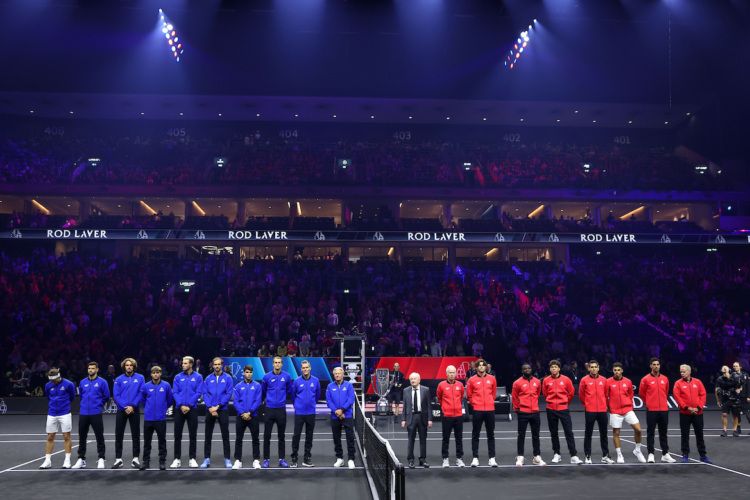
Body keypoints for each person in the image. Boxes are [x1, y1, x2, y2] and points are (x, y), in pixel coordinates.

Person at [542, 360, 582, 464]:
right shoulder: (546, 380)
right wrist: (551, 401)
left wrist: (564, 402)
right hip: (551, 409)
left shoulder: (566, 380)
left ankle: (573, 455)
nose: (553, 369)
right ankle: (557, 454)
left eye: (555, 367)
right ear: (550, 369)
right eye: (552, 367)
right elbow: (545, 393)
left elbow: (571, 392)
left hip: (563, 409)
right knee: (554, 433)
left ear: (559, 369)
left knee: (568, 432)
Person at [72, 361, 110, 469]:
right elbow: (82, 395)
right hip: (83, 413)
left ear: (97, 369)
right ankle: (81, 459)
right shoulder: (83, 382)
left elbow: (106, 396)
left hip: (96, 413)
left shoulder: (103, 382)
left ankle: (101, 458)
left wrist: (99, 405)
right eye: (89, 368)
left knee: (99, 436)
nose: (91, 370)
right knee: (82, 437)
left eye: (93, 368)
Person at [606, 362, 646, 464]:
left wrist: (629, 405)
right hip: (615, 411)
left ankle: (637, 450)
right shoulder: (608, 382)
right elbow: (606, 396)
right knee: (616, 433)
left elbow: (630, 395)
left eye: (619, 370)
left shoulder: (628, 381)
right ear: (613, 371)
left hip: (628, 410)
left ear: (622, 371)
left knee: (638, 429)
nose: (617, 372)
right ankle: (619, 455)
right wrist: (609, 408)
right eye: (615, 370)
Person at [639, 358, 675, 463]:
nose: (656, 366)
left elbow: (666, 392)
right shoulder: (645, 379)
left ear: (660, 366)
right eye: (654, 364)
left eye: (658, 364)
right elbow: (642, 393)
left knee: (663, 432)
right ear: (650, 366)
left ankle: (665, 454)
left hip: (664, 409)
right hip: (651, 410)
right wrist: (649, 402)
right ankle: (651, 454)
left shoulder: (665, 379)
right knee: (651, 432)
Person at [673, 364, 711, 464]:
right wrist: (687, 408)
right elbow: (677, 397)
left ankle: (703, 455)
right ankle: (685, 455)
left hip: (698, 413)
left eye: (684, 371)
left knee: (699, 435)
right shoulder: (678, 383)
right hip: (684, 413)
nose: (682, 373)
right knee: (684, 435)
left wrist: (698, 408)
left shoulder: (698, 382)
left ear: (689, 372)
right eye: (681, 371)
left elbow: (703, 395)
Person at [200, 357, 234, 468]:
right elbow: (205, 394)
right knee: (208, 436)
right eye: (215, 364)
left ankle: (227, 459)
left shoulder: (228, 378)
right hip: (209, 410)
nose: (217, 366)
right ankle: (206, 459)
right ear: (213, 365)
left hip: (222, 410)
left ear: (222, 365)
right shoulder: (208, 378)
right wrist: (210, 407)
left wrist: (217, 407)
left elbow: (228, 394)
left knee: (225, 435)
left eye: (219, 364)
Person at [171, 356, 203, 468]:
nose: (183, 365)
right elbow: (175, 392)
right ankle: (177, 459)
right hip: (180, 409)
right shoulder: (177, 377)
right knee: (177, 435)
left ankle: (192, 458)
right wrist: (181, 405)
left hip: (192, 409)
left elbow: (198, 392)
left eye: (185, 363)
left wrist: (188, 405)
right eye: (182, 363)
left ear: (191, 364)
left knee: (192, 435)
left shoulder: (198, 377)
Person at [139, 366, 174, 471]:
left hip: (160, 418)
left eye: (157, 372)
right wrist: (148, 408)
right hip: (148, 418)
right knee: (147, 442)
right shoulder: (145, 386)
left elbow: (170, 399)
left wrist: (163, 408)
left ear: (160, 373)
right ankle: (146, 462)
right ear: (151, 374)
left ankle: (162, 462)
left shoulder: (166, 385)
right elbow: (143, 400)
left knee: (162, 441)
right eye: (153, 372)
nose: (155, 374)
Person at [40, 368, 76, 469]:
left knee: (66, 436)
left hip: (65, 413)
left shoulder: (69, 384)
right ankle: (47, 461)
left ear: (59, 376)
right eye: (51, 380)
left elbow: (72, 397)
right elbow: (48, 397)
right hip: (51, 413)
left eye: (54, 379)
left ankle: (67, 460)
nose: (53, 382)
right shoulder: (48, 385)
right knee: (50, 437)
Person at [261, 356, 293, 468]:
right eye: (275, 362)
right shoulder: (266, 377)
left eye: (279, 362)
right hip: (269, 409)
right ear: (273, 364)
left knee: (281, 436)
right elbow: (263, 392)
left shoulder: (287, 377)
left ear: (282, 364)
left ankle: (282, 459)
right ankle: (266, 459)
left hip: (281, 409)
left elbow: (290, 390)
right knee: (267, 436)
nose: (277, 364)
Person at [112, 357, 144, 469]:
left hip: (134, 410)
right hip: (122, 410)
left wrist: (132, 405)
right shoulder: (118, 379)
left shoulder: (140, 378)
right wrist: (125, 406)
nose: (129, 367)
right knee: (119, 435)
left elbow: (141, 393)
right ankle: (118, 459)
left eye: (131, 365)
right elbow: (116, 395)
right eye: (127, 365)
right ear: (124, 367)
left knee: (136, 435)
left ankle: (135, 459)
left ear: (133, 366)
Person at [579, 360, 613, 464]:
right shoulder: (584, 380)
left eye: (595, 367)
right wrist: (588, 404)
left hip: (602, 410)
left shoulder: (604, 380)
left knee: (604, 434)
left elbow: (606, 394)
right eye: (591, 367)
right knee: (588, 434)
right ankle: (588, 456)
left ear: (598, 368)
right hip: (590, 410)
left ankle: (605, 456)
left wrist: (605, 405)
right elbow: (581, 395)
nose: (593, 369)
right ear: (588, 368)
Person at [511, 363, 545, 466]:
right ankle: (520, 457)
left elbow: (538, 393)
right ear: (522, 371)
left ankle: (537, 457)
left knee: (536, 435)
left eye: (529, 368)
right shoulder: (517, 383)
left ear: (531, 369)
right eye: (525, 369)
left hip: (535, 412)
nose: (527, 370)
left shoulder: (537, 382)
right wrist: (518, 409)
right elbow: (515, 397)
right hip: (523, 413)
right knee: (521, 435)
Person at [466, 359, 497, 467]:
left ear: (485, 367)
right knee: (475, 434)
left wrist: (489, 402)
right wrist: (475, 404)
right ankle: (475, 458)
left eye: (483, 365)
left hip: (490, 409)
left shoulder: (492, 379)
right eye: (479, 366)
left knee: (491, 434)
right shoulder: (471, 380)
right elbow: (469, 395)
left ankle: (492, 458)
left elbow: (493, 394)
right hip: (477, 410)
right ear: (476, 367)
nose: (481, 367)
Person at [291, 360, 321, 468]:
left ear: (310, 368)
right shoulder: (296, 381)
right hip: (299, 413)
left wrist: (311, 404)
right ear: (301, 369)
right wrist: (298, 406)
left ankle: (307, 458)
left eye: (306, 367)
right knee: (296, 436)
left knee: (309, 436)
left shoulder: (316, 381)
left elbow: (317, 395)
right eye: (303, 368)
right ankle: (294, 458)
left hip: (311, 413)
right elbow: (293, 395)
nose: (305, 369)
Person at [232, 365, 263, 470]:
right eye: (246, 372)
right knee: (238, 439)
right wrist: (243, 413)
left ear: (252, 373)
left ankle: (256, 460)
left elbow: (258, 401)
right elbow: (236, 402)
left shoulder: (257, 386)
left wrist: (249, 413)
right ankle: (238, 460)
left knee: (255, 439)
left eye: (250, 372)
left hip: (253, 416)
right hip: (241, 417)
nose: (248, 374)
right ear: (243, 373)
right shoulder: (238, 386)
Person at [326, 366, 356, 469]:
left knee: (350, 438)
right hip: (335, 416)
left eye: (339, 373)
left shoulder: (349, 386)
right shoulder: (330, 386)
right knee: (336, 438)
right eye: (336, 374)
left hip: (347, 415)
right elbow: (329, 401)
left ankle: (351, 459)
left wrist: (342, 410)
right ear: (333, 375)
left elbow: (351, 399)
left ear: (343, 374)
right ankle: (340, 458)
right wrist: (337, 412)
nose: (337, 375)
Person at [436, 365, 465, 467]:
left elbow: (461, 397)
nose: (452, 374)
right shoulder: (441, 385)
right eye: (450, 372)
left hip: (458, 415)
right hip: (447, 416)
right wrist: (445, 408)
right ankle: (445, 459)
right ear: (446, 374)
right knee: (446, 438)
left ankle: (459, 459)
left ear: (456, 373)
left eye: (453, 372)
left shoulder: (460, 385)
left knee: (459, 438)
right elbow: (439, 398)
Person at [402, 372, 432, 468]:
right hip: (411, 418)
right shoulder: (405, 390)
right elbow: (405, 406)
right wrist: (403, 419)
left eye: (415, 379)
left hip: (422, 417)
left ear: (419, 380)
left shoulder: (426, 390)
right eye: (411, 379)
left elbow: (429, 406)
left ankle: (422, 459)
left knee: (423, 440)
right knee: (411, 440)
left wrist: (430, 419)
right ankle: (410, 460)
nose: (413, 380)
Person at [715, 365, 741, 437]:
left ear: (729, 370)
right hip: (725, 399)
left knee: (735, 415)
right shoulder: (719, 379)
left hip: (734, 398)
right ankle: (724, 430)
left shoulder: (734, 377)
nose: (724, 369)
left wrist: (739, 389)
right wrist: (718, 400)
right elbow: (716, 390)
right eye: (723, 368)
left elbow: (739, 386)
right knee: (724, 414)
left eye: (725, 368)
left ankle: (735, 430)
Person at [734, 361, 750, 430]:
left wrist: (749, 396)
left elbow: (748, 386)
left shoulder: (745, 375)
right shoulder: (732, 375)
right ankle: (738, 428)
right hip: (736, 397)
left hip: (745, 397)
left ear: (740, 367)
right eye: (734, 366)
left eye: (736, 366)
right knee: (737, 414)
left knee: (748, 414)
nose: (735, 367)